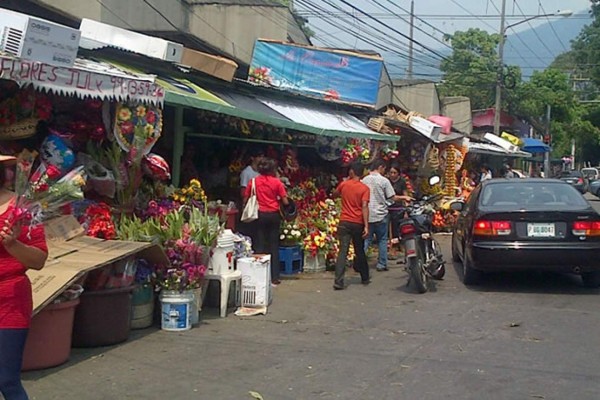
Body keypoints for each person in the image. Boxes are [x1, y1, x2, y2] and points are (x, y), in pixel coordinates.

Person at [0, 154, 48, 400]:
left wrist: (13, 244)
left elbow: (39, 261)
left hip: (10, 300)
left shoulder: (23, 209)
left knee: (7, 381)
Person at [244, 157, 288, 286]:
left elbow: (246, 198)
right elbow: (285, 201)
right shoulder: (277, 183)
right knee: (274, 245)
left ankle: (259, 275)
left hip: (260, 214)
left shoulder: (253, 182)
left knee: (260, 244)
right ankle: (275, 277)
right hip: (274, 215)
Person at [361, 159, 408, 272]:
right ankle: (381, 264)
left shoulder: (364, 180)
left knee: (367, 240)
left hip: (367, 214)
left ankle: (359, 262)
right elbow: (393, 197)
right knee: (382, 239)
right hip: (381, 214)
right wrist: (404, 198)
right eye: (384, 169)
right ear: (380, 167)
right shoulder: (384, 181)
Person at [332, 162, 370, 290]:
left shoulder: (344, 185)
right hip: (357, 222)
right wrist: (366, 226)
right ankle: (365, 277)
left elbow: (335, 194)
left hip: (344, 221)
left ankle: (338, 281)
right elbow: (365, 206)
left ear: (352, 172)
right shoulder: (365, 189)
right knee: (359, 250)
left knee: (343, 251)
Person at [239, 149, 263, 245]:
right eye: (259, 156)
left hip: (260, 207)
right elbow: (243, 191)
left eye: (262, 156)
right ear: (253, 158)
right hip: (251, 206)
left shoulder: (261, 172)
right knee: (250, 233)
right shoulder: (246, 172)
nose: (261, 159)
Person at [387, 164, 413, 249]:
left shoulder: (402, 182)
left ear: (398, 174)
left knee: (396, 225)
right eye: (391, 173)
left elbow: (405, 194)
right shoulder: (386, 181)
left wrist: (406, 209)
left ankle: (397, 243)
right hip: (387, 206)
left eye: (394, 173)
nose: (392, 175)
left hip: (398, 207)